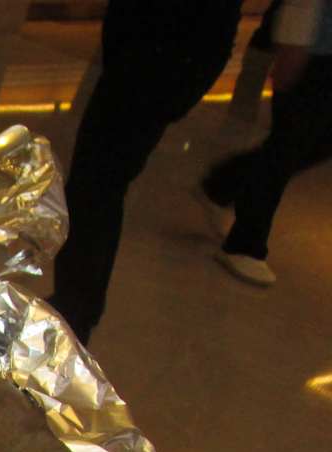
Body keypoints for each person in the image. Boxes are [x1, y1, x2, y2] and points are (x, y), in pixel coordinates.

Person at [47, 0, 243, 343]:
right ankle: (79, 303)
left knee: (95, 187)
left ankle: (75, 308)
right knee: (101, 185)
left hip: (153, 60)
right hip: (164, 59)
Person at [201, 0, 332, 286]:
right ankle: (244, 243)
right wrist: (292, 46)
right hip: (314, 53)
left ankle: (224, 183)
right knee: (288, 144)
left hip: (318, 50)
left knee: (305, 144)